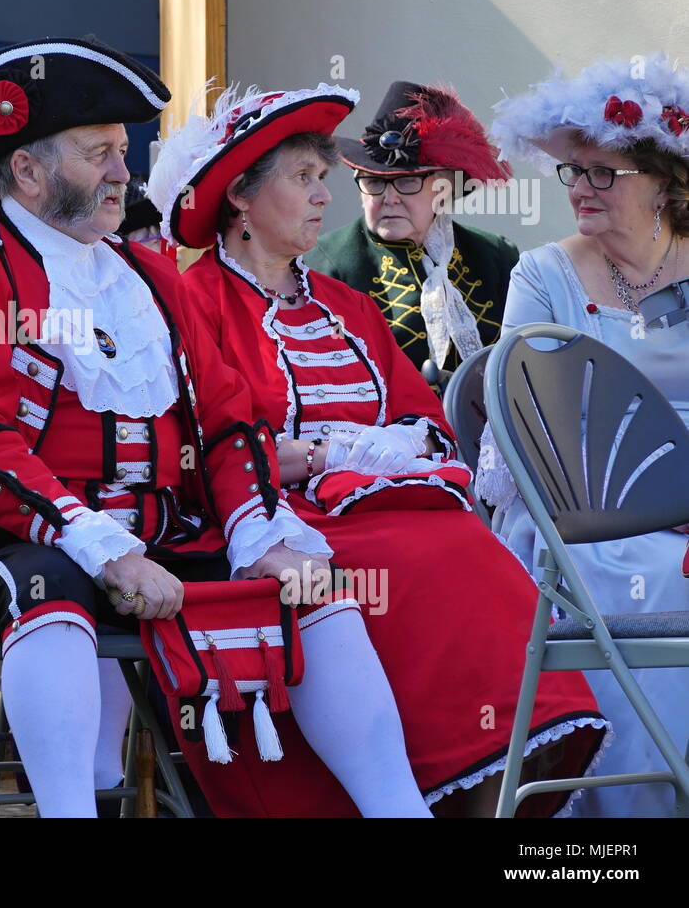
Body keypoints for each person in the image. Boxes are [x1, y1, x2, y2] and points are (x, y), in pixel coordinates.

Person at [0, 37, 452, 818]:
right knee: (46, 587)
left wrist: (259, 530)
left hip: (152, 533)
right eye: (100, 154)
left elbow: (228, 418)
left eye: (123, 150)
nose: (125, 172)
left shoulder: (149, 275)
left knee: (311, 585)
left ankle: (400, 810)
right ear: (28, 170)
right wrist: (104, 548)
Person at [148, 81, 607, 816]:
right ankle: (416, 791)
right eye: (304, 179)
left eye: (323, 179)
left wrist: (333, 450)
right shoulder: (190, 302)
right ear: (240, 195)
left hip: (398, 511)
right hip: (284, 529)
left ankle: (490, 788)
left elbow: (423, 423)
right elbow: (204, 449)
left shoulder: (346, 307)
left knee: (474, 549)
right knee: (424, 563)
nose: (324, 198)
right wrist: (329, 455)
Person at [483, 53, 689, 817]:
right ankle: (621, 818)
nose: (579, 189)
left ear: (662, 179)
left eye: (603, 173)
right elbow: (538, 430)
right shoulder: (544, 274)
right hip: (586, 517)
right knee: (663, 576)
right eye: (572, 172)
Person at [306, 81, 519, 379]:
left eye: (407, 182)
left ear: (443, 189)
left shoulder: (496, 256)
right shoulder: (324, 266)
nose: (389, 198)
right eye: (374, 182)